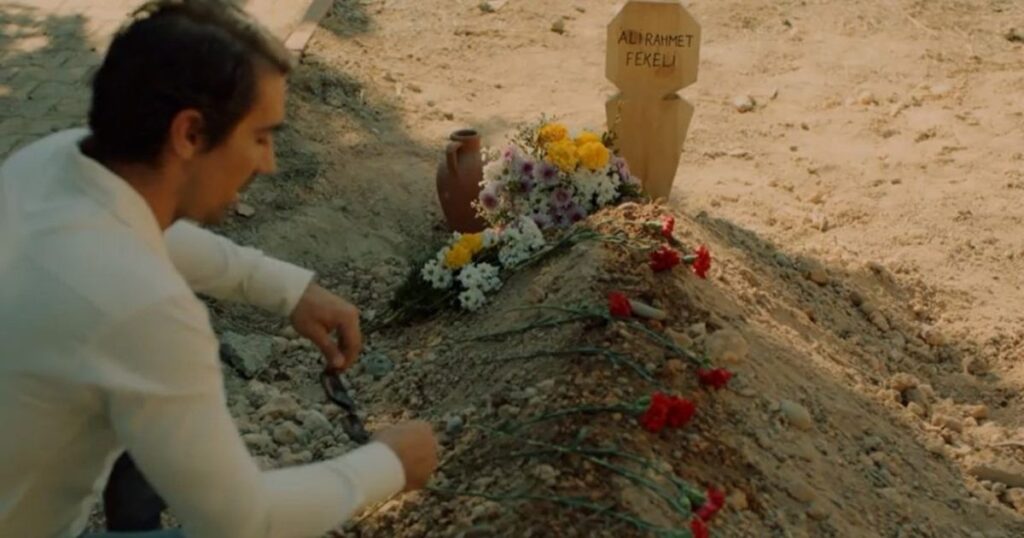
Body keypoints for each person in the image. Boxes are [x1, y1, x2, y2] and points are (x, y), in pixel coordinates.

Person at [0, 1, 439, 537]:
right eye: (260, 137)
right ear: (189, 134)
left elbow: (150, 234)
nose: (268, 163)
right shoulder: (144, 309)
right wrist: (390, 464)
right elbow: (243, 521)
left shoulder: (47, 161)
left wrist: (289, 290)